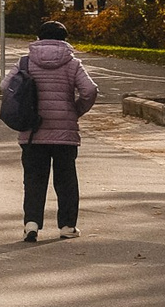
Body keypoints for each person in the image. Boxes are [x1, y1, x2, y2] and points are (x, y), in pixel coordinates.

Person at [7, 19, 99, 242]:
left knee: (34, 179)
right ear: (64, 39)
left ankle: (32, 224)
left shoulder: (25, 62)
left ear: (39, 38)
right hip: (65, 133)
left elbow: (5, 86)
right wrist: (75, 111)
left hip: (32, 132)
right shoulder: (72, 63)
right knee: (66, 179)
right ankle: (67, 226)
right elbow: (90, 90)